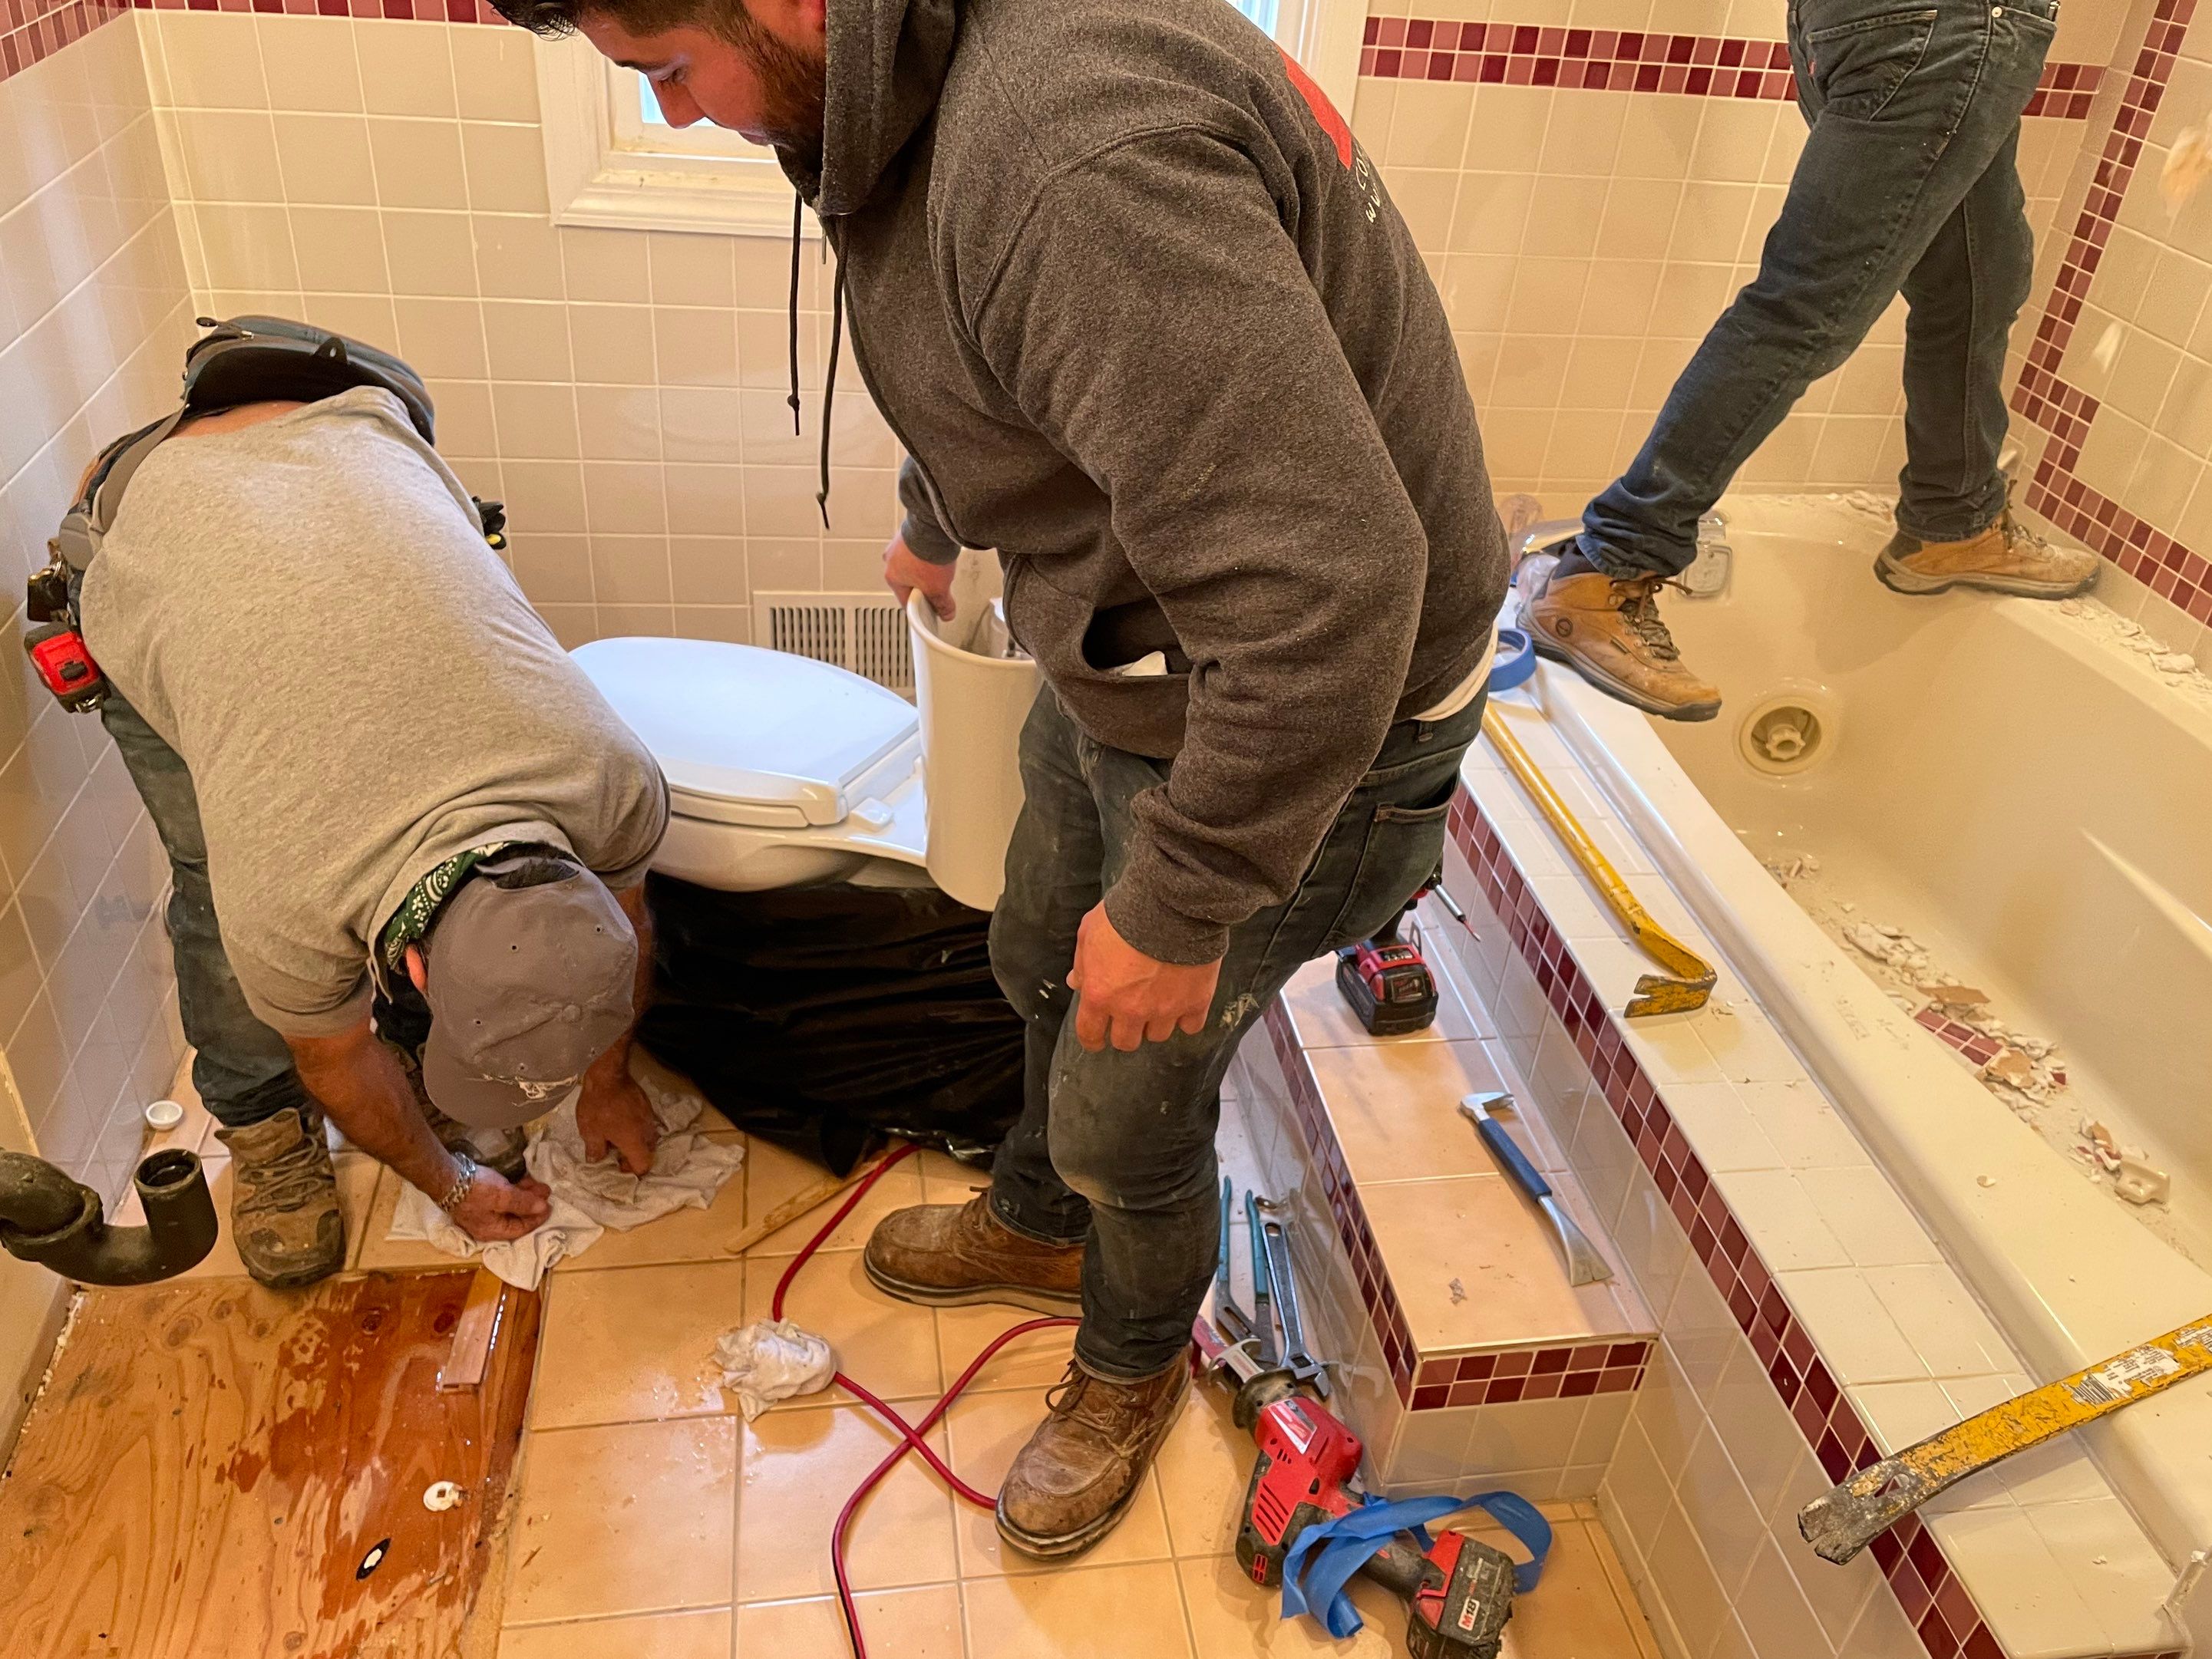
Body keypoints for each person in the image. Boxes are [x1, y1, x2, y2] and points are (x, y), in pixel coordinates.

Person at [504, 0, 1508, 1557]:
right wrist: (937, 503)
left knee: (1132, 1101)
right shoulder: (906, 83)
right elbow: (992, 337)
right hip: (1142, 652)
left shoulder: (1067, 152)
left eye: (664, 71)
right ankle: (1041, 1228)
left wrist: (1181, 905)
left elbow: (1333, 593)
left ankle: (1130, 1352)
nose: (677, 116)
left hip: (1306, 713)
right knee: (1032, 948)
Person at [71, 375, 672, 1288]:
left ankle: (426, 1058)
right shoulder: (289, 892)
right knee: (210, 880)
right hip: (153, 513)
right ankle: (265, 1126)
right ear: (413, 975)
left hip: (352, 441)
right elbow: (335, 1057)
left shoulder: (610, 779)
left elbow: (627, 934)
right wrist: (452, 1182)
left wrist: (608, 1080)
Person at [1527, 0, 2095, 722]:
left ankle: (1956, 520)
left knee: (1979, 283)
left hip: (1929, 30)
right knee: (1807, 310)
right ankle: (1608, 571)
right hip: (1945, 29)